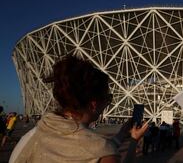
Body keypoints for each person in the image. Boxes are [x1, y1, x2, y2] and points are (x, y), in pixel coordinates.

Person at [9, 55, 148, 163]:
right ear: (93, 105)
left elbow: (85, 145)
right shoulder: (104, 154)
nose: (108, 104)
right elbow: (94, 148)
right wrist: (134, 141)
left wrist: (121, 136)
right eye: (108, 98)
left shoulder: (28, 138)